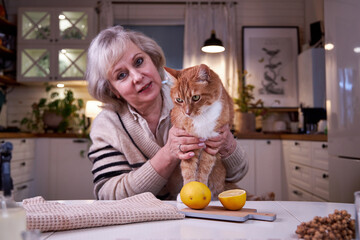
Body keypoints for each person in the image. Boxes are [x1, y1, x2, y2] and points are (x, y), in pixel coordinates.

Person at [86, 25, 248, 200]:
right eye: (121, 75)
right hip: (144, 221)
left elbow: (238, 173)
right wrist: (168, 154)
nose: (137, 77)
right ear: (113, 90)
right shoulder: (107, 124)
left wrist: (227, 144)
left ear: (153, 60)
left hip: (204, 212)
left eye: (139, 62)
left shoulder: (193, 98)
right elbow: (109, 196)